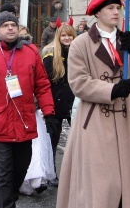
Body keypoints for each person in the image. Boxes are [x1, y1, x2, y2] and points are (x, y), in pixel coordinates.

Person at [56, 0, 130, 208]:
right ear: (98, 12)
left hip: (129, 123)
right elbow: (78, 82)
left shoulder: (127, 40)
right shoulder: (81, 43)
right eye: (110, 8)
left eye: (118, 8)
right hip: (96, 124)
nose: (115, 12)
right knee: (101, 188)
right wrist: (111, 90)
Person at [0, 11, 55, 208]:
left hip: (24, 122)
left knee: (21, 169)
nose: (10, 28)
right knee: (3, 172)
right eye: (5, 25)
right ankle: (6, 203)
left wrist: (49, 113)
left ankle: (10, 197)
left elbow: (42, 85)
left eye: (13, 25)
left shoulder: (31, 51)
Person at [42, 23, 76, 187]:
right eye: (63, 35)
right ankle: (51, 173)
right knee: (52, 141)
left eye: (69, 35)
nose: (67, 38)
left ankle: (77, 174)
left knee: (79, 140)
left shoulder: (78, 54)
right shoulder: (50, 55)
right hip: (55, 103)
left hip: (74, 103)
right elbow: (45, 82)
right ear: (58, 37)